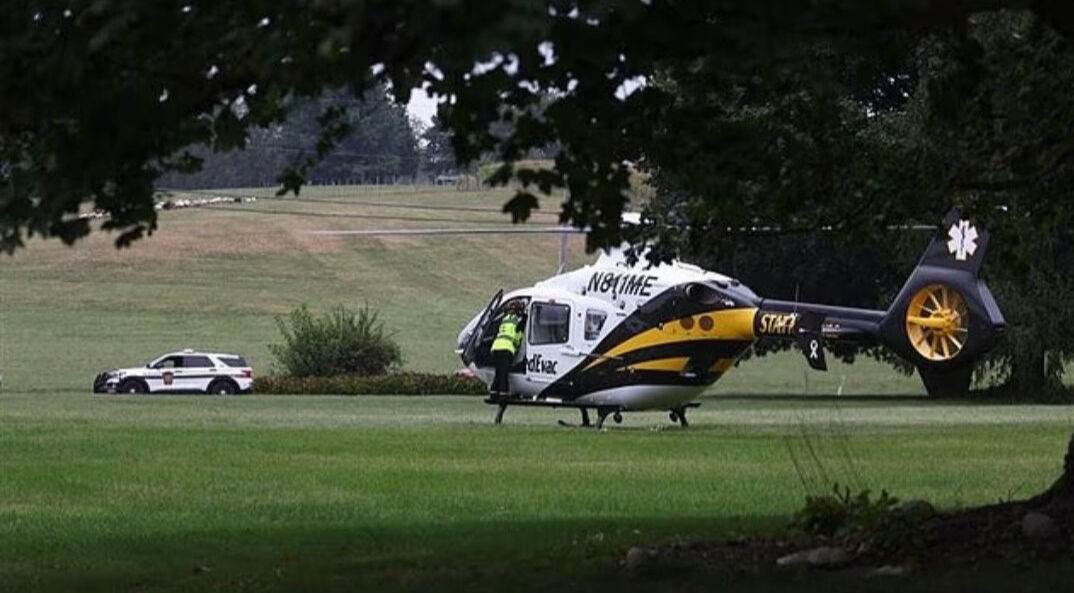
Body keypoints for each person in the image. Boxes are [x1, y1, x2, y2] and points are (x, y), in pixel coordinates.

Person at [489, 300, 526, 399]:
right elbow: (518, 337)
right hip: (507, 348)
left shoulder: (504, 319)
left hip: (496, 347)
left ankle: (493, 394)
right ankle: (503, 395)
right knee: (504, 374)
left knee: (498, 372)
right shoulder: (519, 320)